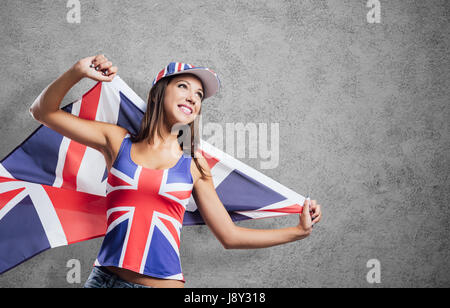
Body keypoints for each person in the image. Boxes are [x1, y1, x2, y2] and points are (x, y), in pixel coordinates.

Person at [29, 54, 322, 288]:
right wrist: (78, 71)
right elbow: (43, 112)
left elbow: (230, 236)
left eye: (199, 95)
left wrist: (297, 231)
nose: (193, 97)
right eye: (183, 86)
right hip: (104, 279)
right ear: (158, 94)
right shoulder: (117, 141)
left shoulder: (194, 163)